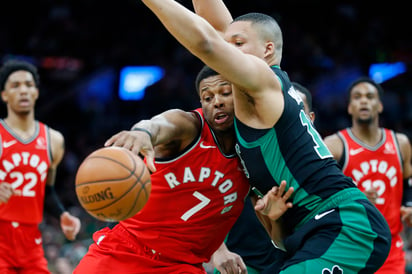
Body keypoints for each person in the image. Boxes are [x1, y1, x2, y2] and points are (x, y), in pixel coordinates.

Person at [136, 0, 392, 272]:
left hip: (343, 222)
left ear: (268, 50)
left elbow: (207, 43)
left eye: (238, 44)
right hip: (312, 230)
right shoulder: (253, 89)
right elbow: (217, 30)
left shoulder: (264, 82)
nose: (228, 51)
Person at [73, 65, 293, 274]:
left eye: (225, 93)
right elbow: (160, 125)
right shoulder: (189, 126)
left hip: (183, 265)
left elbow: (211, 212)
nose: (216, 102)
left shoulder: (254, 152)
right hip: (124, 251)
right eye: (208, 97)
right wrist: (143, 133)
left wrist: (222, 248)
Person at [211, 82, 315, 274]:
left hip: (297, 265)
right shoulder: (241, 151)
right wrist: (219, 249)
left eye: (294, 109)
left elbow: (282, 240)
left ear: (309, 118)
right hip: (241, 265)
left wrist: (275, 220)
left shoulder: (322, 170)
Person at [323, 77, 412, 274]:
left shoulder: (400, 143)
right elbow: (320, 195)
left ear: (379, 106)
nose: (364, 101)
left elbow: (408, 183)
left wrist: (409, 206)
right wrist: (353, 196)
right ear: (349, 107)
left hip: (391, 248)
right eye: (357, 97)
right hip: (351, 247)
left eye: (370, 97)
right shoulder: (334, 145)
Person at [0, 59, 81, 273]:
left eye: (28, 85)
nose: (23, 90)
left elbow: (47, 191)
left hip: (31, 241)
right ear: (4, 95)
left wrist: (63, 214)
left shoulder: (54, 140)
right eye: (15, 86)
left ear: (36, 92)